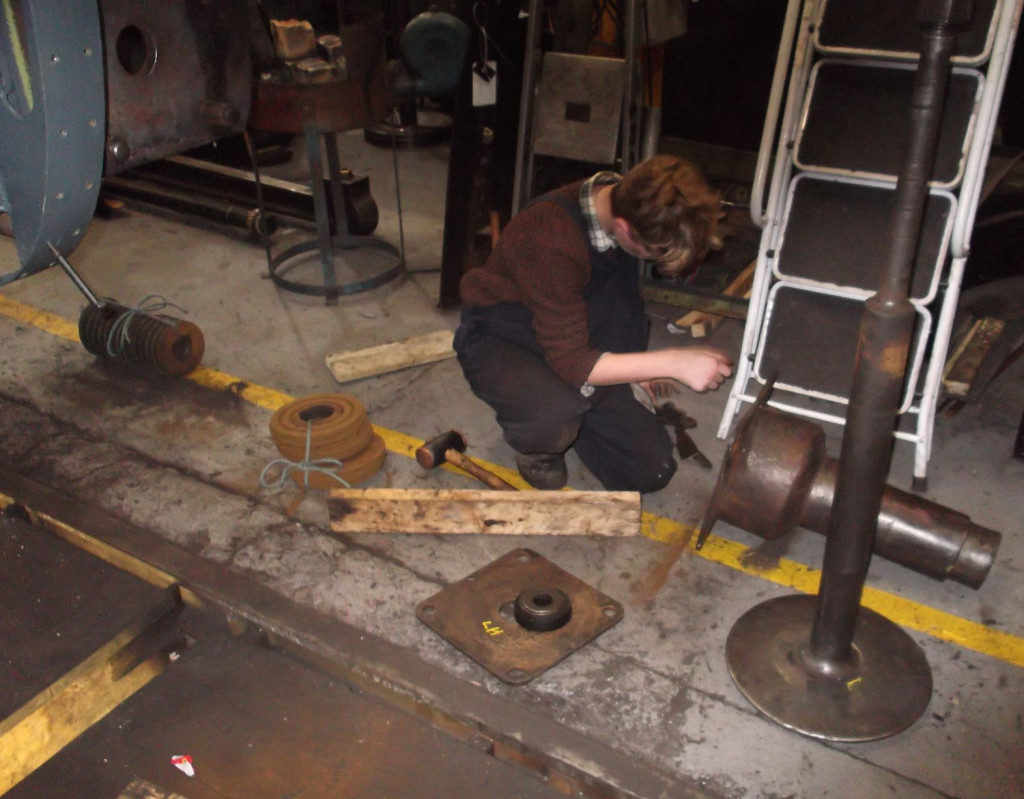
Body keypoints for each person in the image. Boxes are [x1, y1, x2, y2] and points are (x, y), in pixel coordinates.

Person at [453, 154, 734, 492]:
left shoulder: (626, 204)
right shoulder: (549, 234)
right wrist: (672, 361)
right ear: (625, 228)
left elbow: (618, 304)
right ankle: (537, 442)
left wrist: (636, 368)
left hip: (570, 331)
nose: (655, 261)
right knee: (552, 417)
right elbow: (572, 362)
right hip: (504, 336)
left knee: (649, 472)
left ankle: (574, 412)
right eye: (655, 253)